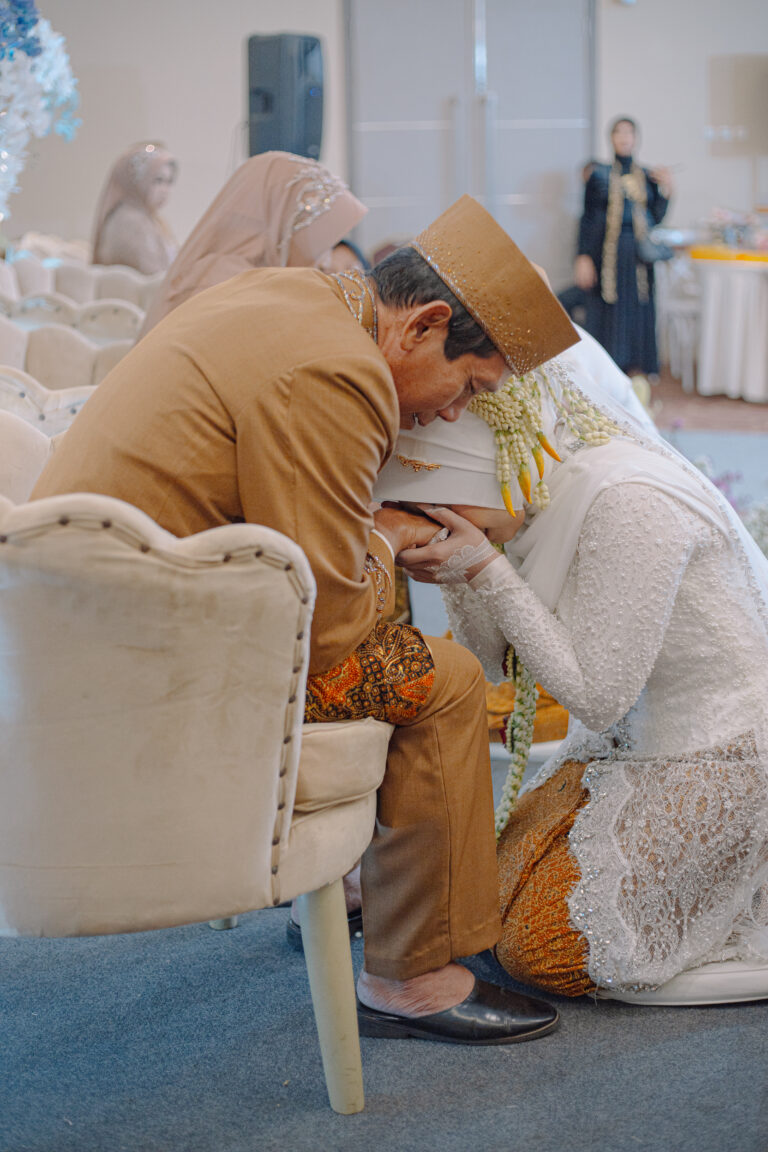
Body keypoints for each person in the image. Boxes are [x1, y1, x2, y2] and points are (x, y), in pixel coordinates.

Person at [31, 195, 579, 1043]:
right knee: (448, 681)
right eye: (469, 387)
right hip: (139, 659)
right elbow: (323, 628)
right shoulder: (337, 370)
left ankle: (356, 884)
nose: (452, 413)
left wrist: (375, 539)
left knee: (395, 623)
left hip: (66, 621)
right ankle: (414, 979)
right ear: (426, 324)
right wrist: (388, 539)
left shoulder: (300, 296)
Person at [377, 344, 768, 1000]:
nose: (429, 527)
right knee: (483, 907)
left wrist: (484, 569)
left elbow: (598, 696)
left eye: (436, 509)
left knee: (539, 947)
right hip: (631, 743)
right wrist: (463, 570)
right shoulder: (528, 499)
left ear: (489, 469)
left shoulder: (628, 500)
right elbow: (491, 662)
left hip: (727, 752)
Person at [139, 152, 367, 336]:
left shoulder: (249, 275)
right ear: (284, 227)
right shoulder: (226, 284)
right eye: (322, 245)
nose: (326, 262)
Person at [575, 117, 673, 376]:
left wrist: (666, 189)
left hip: (637, 255)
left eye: (629, 132)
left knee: (638, 306)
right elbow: (587, 219)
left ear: (636, 138)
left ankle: (637, 368)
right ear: (611, 138)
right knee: (607, 306)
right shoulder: (599, 175)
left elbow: (656, 217)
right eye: (619, 132)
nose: (624, 137)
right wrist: (583, 256)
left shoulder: (648, 176)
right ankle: (608, 369)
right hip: (606, 253)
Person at [91, 141, 178, 275]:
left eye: (169, 181)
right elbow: (152, 275)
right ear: (137, 180)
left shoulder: (152, 219)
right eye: (158, 180)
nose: (165, 190)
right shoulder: (129, 221)